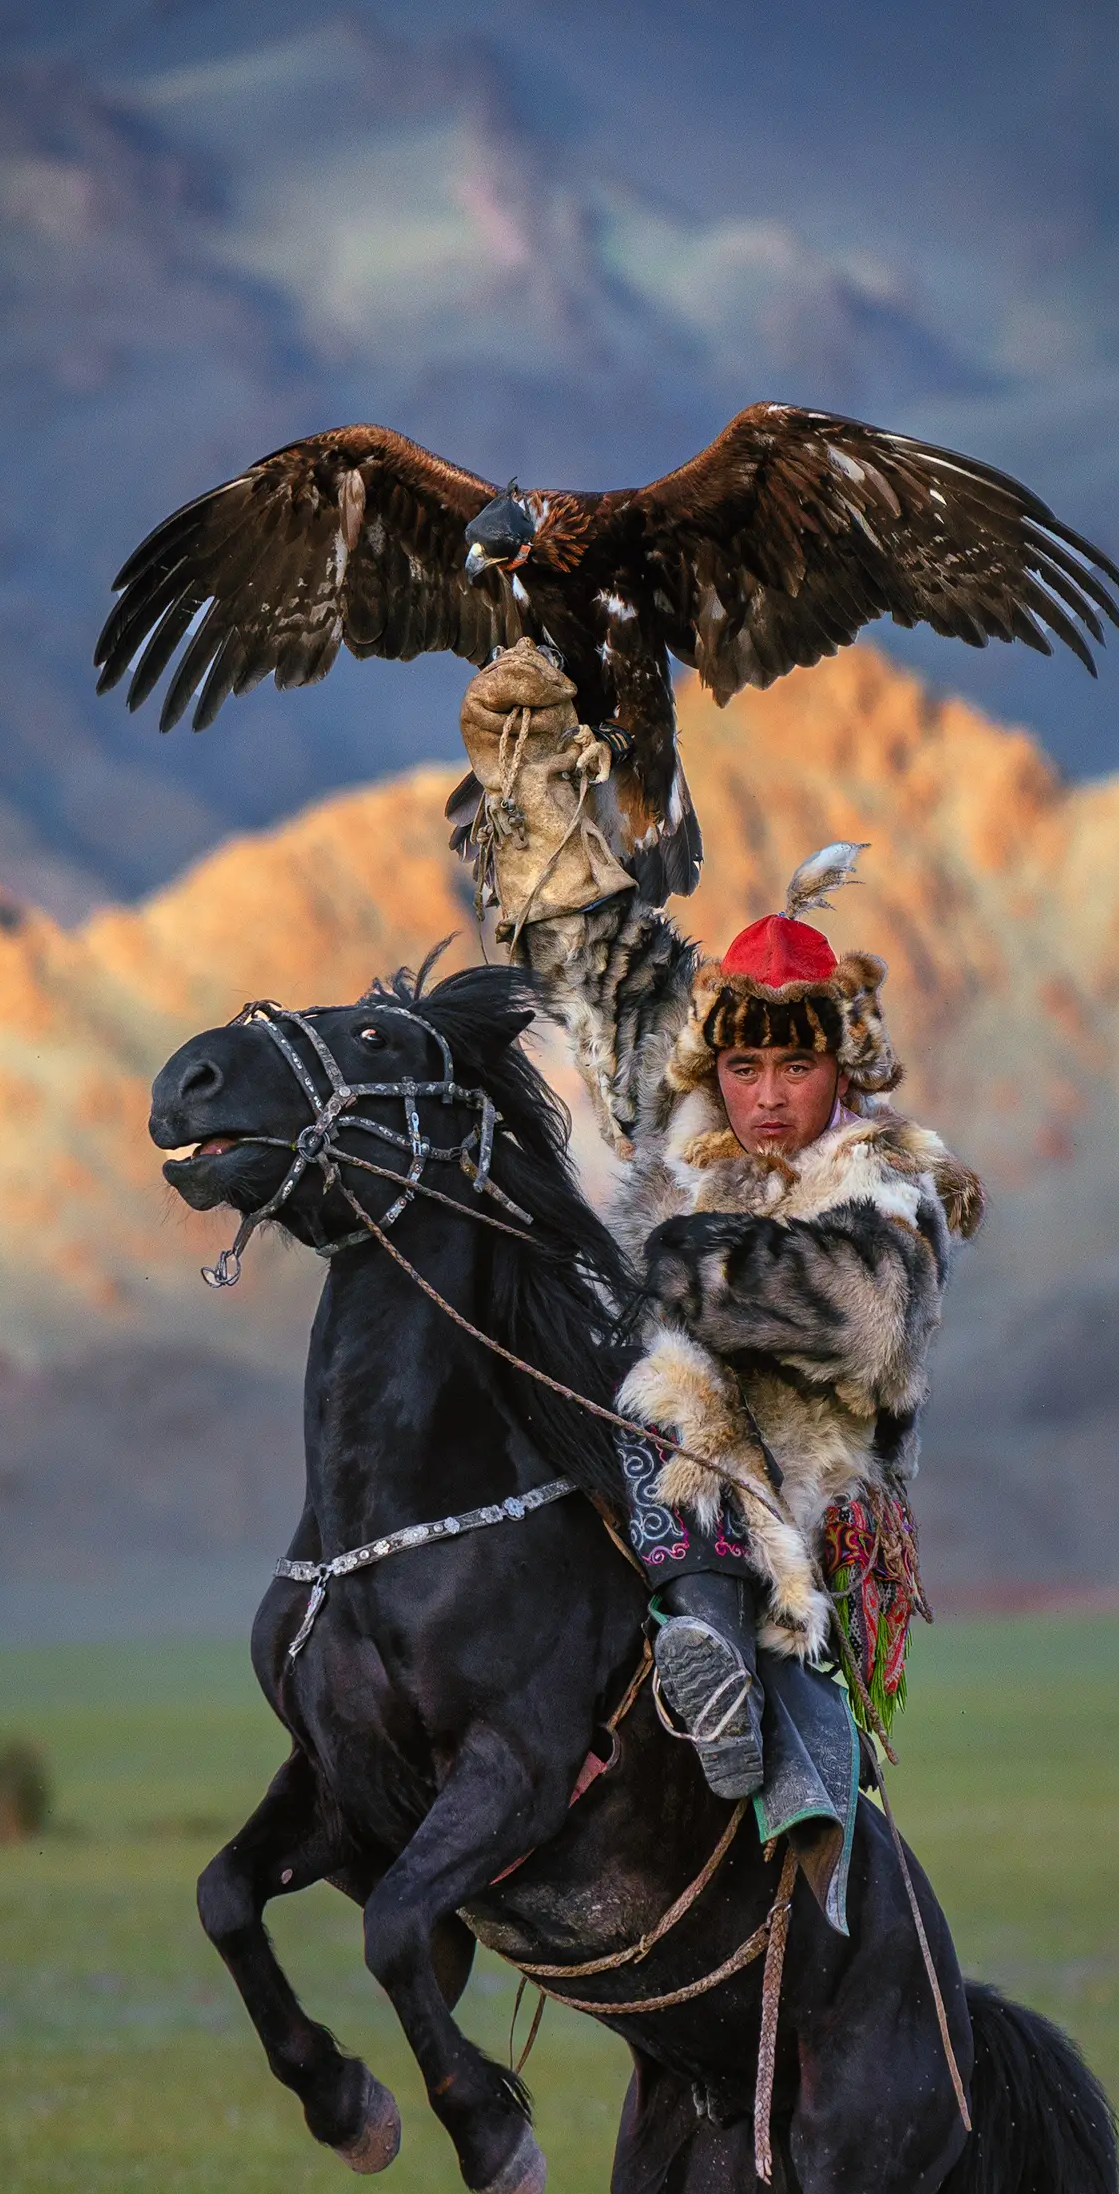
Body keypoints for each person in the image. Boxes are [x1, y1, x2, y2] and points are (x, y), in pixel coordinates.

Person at [456, 645, 983, 1830]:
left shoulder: (883, 1174)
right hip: (644, 1447)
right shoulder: (696, 1112)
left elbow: (866, 1324)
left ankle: (728, 1675)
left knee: (669, 1380)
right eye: (741, 1066)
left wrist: (687, 1267)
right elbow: (585, 945)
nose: (764, 1097)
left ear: (838, 1066)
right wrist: (524, 766)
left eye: (794, 1065)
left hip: (806, 1486)